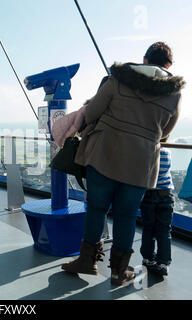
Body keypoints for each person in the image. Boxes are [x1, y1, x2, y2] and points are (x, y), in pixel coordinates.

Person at [61, 42, 185, 286]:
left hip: (104, 154)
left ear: (145, 59)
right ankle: (119, 272)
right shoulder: (174, 93)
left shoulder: (118, 78)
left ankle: (87, 261)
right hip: (141, 165)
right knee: (126, 216)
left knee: (96, 208)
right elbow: (166, 131)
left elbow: (93, 112)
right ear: (169, 66)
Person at [140, 140, 175, 276]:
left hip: (149, 194)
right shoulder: (167, 152)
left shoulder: (147, 151)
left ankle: (148, 258)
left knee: (148, 228)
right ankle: (163, 263)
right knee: (164, 230)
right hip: (165, 195)